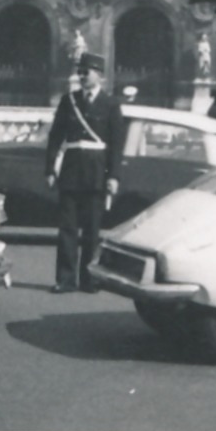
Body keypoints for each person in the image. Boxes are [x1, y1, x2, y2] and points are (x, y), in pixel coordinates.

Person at [44, 53, 126, 294]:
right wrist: (50, 169)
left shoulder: (111, 105)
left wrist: (114, 176)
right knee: (67, 229)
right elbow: (55, 137)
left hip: (97, 172)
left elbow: (116, 144)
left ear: (99, 74)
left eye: (86, 72)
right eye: (79, 72)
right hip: (70, 170)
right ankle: (65, 279)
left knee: (92, 230)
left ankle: (89, 279)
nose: (81, 76)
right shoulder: (68, 101)